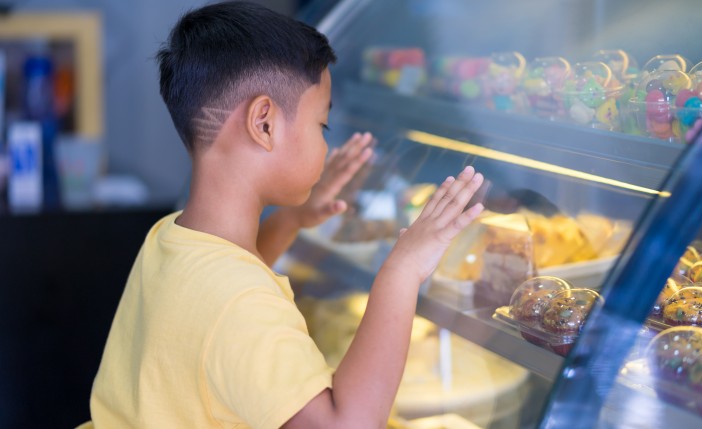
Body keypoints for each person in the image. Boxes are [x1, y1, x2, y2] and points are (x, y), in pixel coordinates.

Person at [81, 2, 484, 428]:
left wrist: (291, 220)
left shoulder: (170, 236)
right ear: (265, 124)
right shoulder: (240, 301)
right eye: (321, 126)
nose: (325, 146)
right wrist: (402, 271)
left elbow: (230, 282)